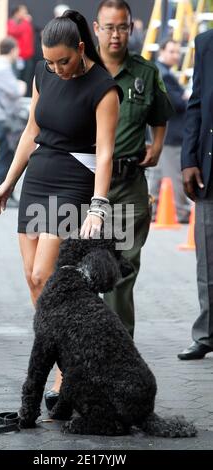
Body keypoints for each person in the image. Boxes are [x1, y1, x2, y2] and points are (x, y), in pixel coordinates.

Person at [0, 10, 122, 407]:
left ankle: (68, 374)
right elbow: (32, 130)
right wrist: (8, 183)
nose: (56, 68)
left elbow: (106, 152)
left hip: (73, 183)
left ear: (81, 49)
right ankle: (68, 360)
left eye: (63, 61)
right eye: (50, 61)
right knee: (34, 281)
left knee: (48, 274)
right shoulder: (43, 73)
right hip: (38, 178)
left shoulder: (104, 88)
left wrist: (98, 206)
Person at [94, 0, 174, 338]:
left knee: (122, 271)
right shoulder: (81, 69)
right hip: (82, 185)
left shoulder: (145, 72)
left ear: (132, 27)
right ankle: (75, 358)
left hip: (127, 186)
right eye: (109, 27)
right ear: (96, 29)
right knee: (75, 271)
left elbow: (161, 114)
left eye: (122, 27)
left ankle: (118, 348)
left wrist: (156, 145)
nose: (116, 35)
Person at [178, 29, 213, 360]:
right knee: (208, 259)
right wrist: (188, 160)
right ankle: (206, 334)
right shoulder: (205, 43)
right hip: (208, 169)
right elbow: (197, 103)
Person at [148, 39, 191, 223]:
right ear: (162, 52)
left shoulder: (160, 72)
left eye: (177, 52)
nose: (176, 55)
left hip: (160, 131)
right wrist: (186, 97)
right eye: (172, 51)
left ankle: (152, 211)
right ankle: (182, 212)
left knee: (157, 176)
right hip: (171, 133)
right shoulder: (165, 75)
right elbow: (176, 103)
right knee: (175, 176)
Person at [0, 37, 26, 206]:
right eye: (16, 50)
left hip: (2, 118)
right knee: (6, 157)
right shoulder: (2, 68)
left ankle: (3, 194)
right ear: (11, 50)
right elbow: (16, 91)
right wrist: (22, 84)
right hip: (5, 119)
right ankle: (0, 194)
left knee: (6, 156)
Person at [7, 4, 35, 96]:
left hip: (27, 57)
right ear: (17, 12)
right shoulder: (13, 22)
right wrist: (26, 21)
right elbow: (13, 31)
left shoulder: (25, 23)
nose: (25, 13)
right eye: (23, 11)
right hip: (18, 57)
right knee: (17, 78)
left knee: (27, 80)